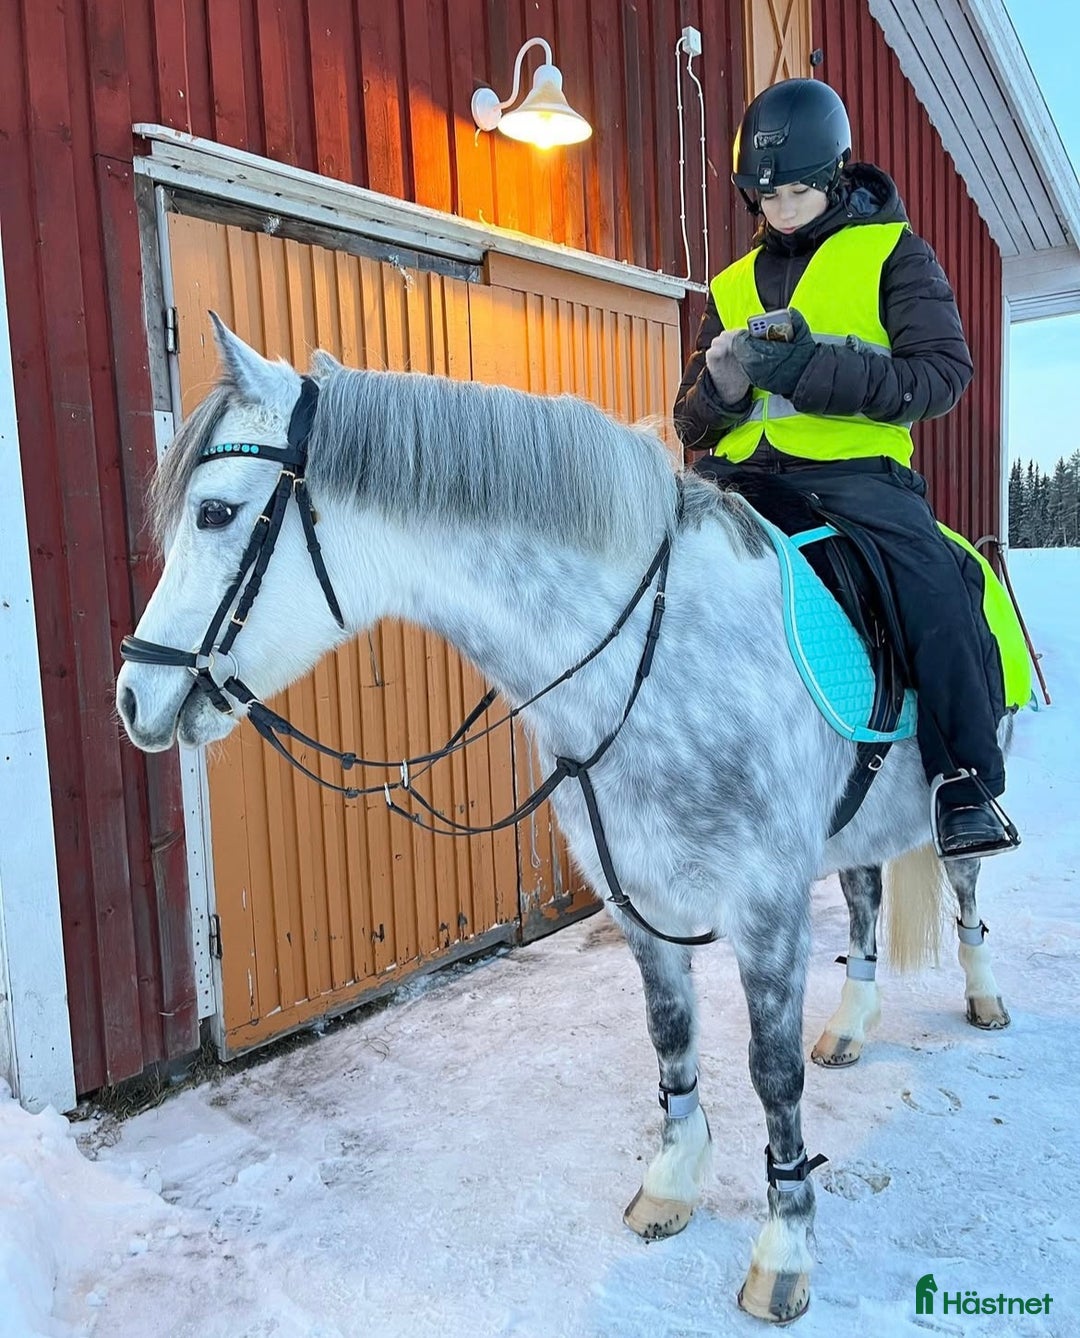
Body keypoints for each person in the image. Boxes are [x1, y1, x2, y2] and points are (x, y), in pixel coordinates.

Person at [673, 77, 1018, 858]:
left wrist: (806, 370)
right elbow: (689, 421)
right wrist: (721, 386)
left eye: (797, 191)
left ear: (834, 175)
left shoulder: (895, 255)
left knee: (937, 588)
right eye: (766, 197)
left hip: (857, 482)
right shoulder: (730, 284)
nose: (782, 210)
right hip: (737, 483)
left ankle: (964, 781)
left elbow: (942, 377)